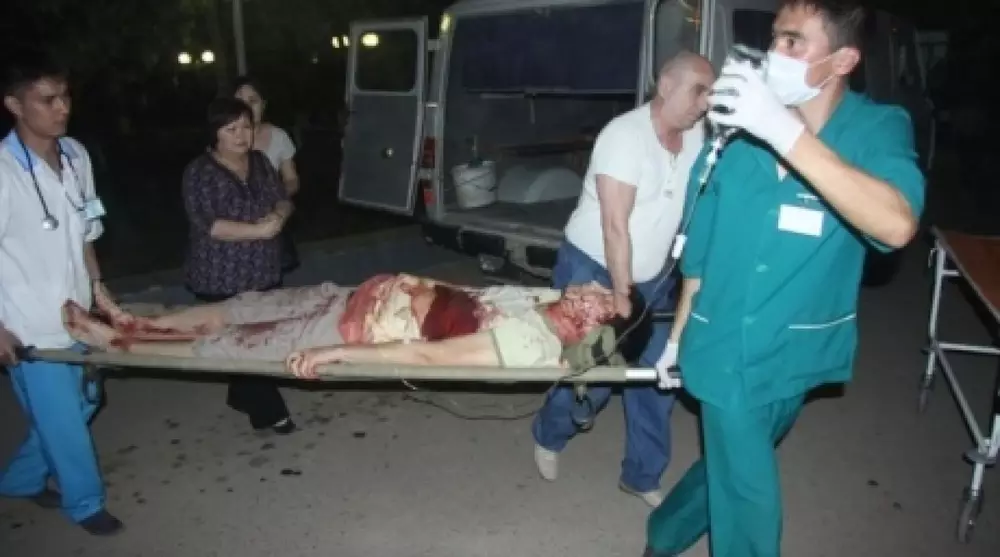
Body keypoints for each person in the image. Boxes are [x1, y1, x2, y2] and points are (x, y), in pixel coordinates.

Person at [645, 1, 925, 556]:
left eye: (794, 41)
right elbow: (701, 254)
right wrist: (677, 338)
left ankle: (665, 533)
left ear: (843, 60)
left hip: (795, 354)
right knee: (749, 495)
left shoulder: (876, 129)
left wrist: (783, 132)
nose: (775, 52)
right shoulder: (737, 135)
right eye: (774, 38)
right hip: (722, 345)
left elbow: (896, 225)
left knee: (733, 461)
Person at [532, 51, 715, 507]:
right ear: (666, 87)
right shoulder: (624, 137)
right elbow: (615, 226)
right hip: (594, 268)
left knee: (657, 375)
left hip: (655, 277)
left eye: (710, 93)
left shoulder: (697, 136)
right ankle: (549, 433)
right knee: (592, 373)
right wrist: (621, 295)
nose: (705, 102)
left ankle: (642, 474)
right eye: (699, 91)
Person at [0, 52, 124, 535]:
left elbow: (86, 231)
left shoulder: (75, 155)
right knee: (64, 422)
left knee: (87, 400)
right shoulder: (3, 170)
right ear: (14, 104)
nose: (62, 108)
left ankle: (19, 478)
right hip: (29, 323)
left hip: (77, 313)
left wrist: (99, 291)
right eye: (47, 100)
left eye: (65, 96)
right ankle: (85, 503)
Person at [60, 274, 635, 378]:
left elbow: (428, 358)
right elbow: (467, 291)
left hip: (351, 332)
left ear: (593, 324)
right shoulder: (547, 299)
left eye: (600, 297)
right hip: (355, 295)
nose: (589, 286)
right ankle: (137, 320)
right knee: (240, 306)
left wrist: (338, 355)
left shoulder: (530, 343)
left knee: (229, 346)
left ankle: (118, 345)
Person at [181, 97, 297, 435]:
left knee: (258, 338)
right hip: (221, 275)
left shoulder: (260, 162)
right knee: (246, 344)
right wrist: (258, 231)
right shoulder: (199, 172)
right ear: (214, 133)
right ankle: (272, 413)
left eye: (246, 127)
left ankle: (241, 392)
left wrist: (279, 215)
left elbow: (282, 198)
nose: (241, 135)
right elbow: (210, 224)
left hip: (263, 270)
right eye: (230, 129)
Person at [233, 76, 301, 273]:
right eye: (239, 101)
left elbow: (292, 179)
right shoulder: (223, 139)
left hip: (268, 217)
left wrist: (276, 201)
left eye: (253, 101)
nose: (246, 107)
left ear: (263, 105)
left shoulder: (279, 136)